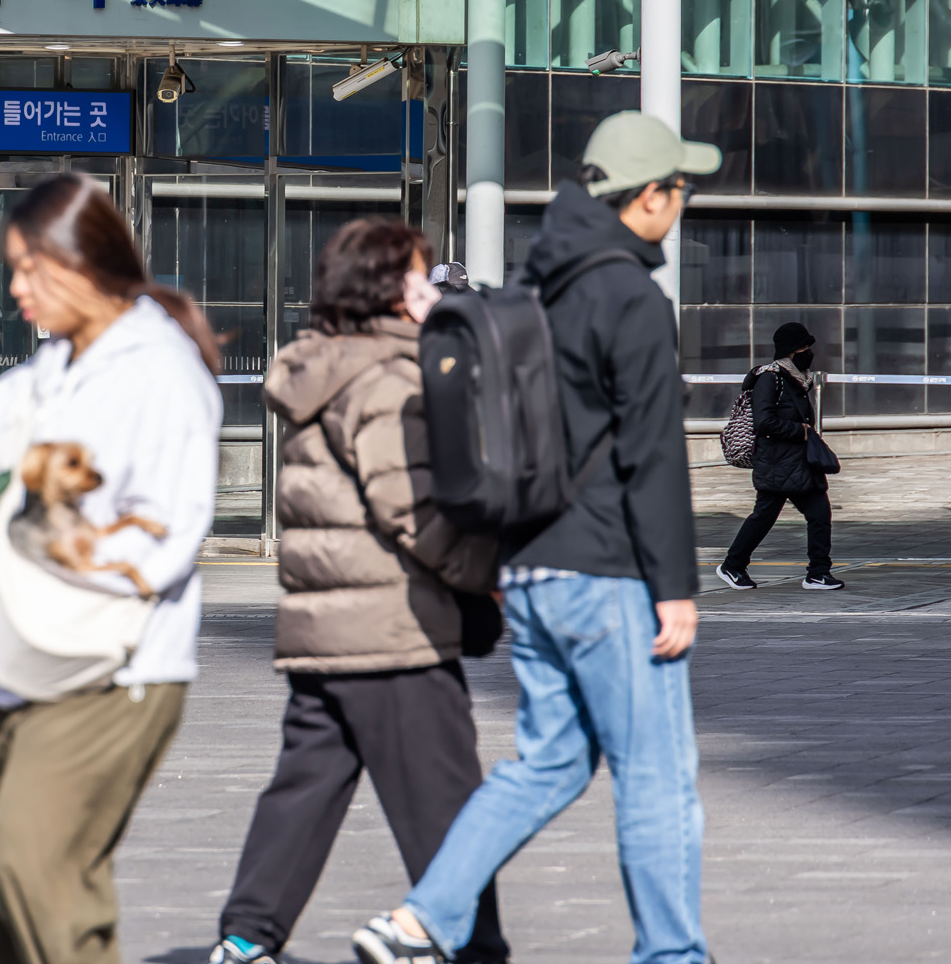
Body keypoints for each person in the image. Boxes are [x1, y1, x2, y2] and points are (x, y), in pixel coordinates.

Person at [351, 111, 717, 964]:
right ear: (648, 198)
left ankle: (419, 921)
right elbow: (653, 453)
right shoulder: (630, 298)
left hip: (530, 571)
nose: (682, 203)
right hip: (608, 575)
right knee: (657, 778)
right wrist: (676, 585)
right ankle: (674, 956)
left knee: (547, 766)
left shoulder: (533, 290)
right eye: (680, 188)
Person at [0, 173, 222, 964]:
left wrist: (62, 564)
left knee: (38, 871)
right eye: (12, 269)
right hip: (8, 664)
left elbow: (168, 534)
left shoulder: (161, 373)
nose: (16, 289)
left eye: (32, 268)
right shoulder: (24, 387)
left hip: (113, 667)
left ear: (87, 260)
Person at [209, 219, 507, 964]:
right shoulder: (388, 376)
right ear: (381, 287)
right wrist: (486, 575)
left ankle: (246, 939)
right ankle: (472, 946)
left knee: (305, 791)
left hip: (323, 629)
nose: (428, 286)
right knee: (446, 803)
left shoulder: (322, 367)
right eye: (416, 275)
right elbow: (412, 508)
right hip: (392, 627)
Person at [717, 322, 841, 592]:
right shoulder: (770, 378)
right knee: (764, 516)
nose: (809, 353)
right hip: (777, 462)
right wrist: (802, 431)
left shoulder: (796, 378)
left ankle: (818, 573)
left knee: (820, 514)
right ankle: (732, 565)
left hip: (798, 462)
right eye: (804, 348)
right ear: (791, 351)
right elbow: (764, 422)